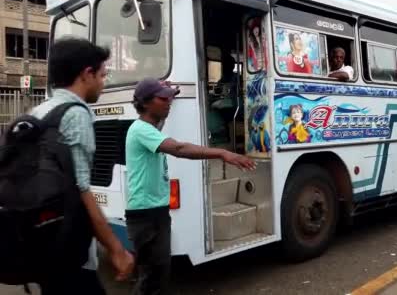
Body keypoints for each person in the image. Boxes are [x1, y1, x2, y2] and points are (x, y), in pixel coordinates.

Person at [126, 78, 256, 295]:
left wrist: (167, 91)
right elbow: (179, 148)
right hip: (145, 217)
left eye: (169, 98)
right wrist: (223, 153)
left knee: (158, 276)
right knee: (150, 280)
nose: (168, 102)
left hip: (155, 212)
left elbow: (161, 120)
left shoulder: (150, 127)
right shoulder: (140, 130)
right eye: (163, 98)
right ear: (146, 103)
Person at [30, 38, 134, 294]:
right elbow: (81, 191)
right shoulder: (76, 114)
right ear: (87, 74)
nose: (103, 82)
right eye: (102, 75)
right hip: (68, 248)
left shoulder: (39, 111)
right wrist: (116, 249)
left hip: (40, 241)